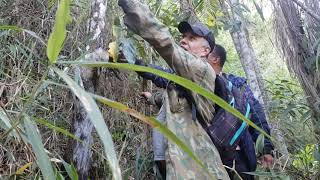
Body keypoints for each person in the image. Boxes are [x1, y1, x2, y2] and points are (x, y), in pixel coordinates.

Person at [118, 0, 230, 179]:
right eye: (184, 37)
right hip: (179, 165)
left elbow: (165, 43)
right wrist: (148, 92)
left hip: (199, 168)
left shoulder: (201, 70)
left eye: (192, 38)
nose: (184, 40)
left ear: (205, 50)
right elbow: (171, 96)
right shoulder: (184, 77)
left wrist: (132, 6)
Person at [138, 44, 275, 180]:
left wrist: (266, 149)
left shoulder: (237, 85)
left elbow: (257, 116)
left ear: (215, 59)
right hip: (204, 156)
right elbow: (164, 77)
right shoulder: (191, 82)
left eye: (206, 54)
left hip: (237, 159)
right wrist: (137, 64)